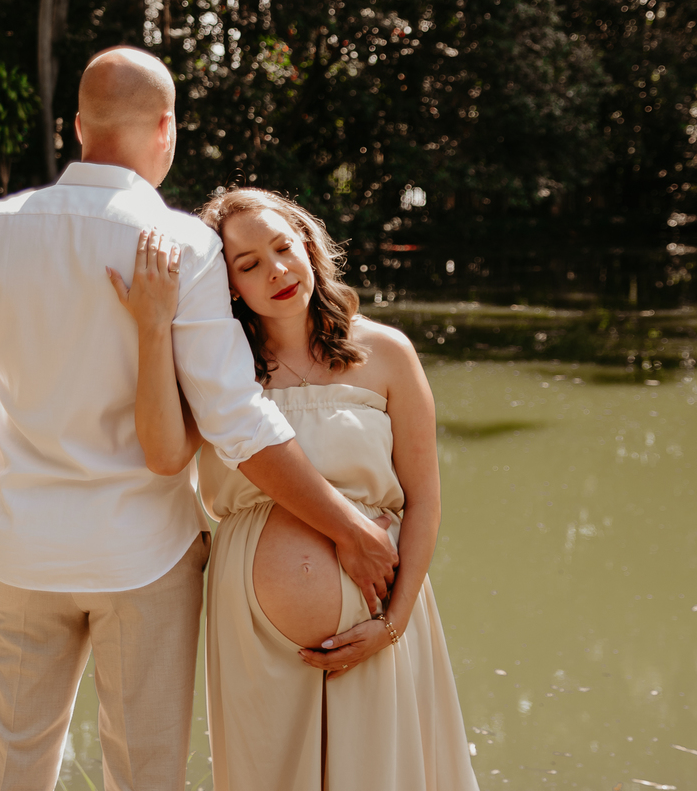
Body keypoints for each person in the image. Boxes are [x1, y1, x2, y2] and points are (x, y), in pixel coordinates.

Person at [0, 46, 398, 791]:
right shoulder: (183, 245)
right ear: (166, 128)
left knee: (8, 770)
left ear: (77, 126)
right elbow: (236, 421)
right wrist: (348, 526)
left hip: (24, 553)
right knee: (144, 776)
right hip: (146, 558)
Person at [109, 188, 481, 791]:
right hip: (251, 628)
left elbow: (425, 503)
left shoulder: (386, 353)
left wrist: (393, 623)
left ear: (308, 246)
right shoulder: (216, 369)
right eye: (248, 264)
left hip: (379, 613)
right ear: (227, 285)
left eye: (283, 248)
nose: (276, 270)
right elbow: (163, 454)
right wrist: (155, 329)